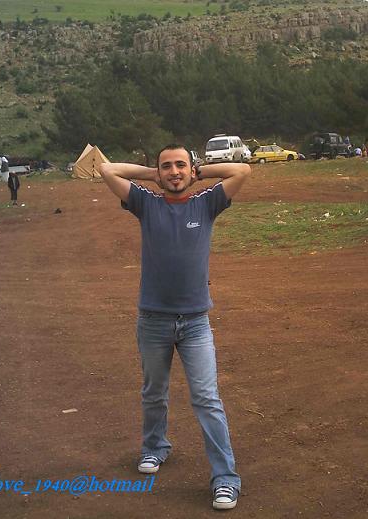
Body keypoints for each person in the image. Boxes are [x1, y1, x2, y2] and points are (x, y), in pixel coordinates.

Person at [100, 144, 250, 510]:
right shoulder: (146, 204)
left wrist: (200, 173)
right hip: (153, 320)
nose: (174, 171)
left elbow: (242, 171)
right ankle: (155, 447)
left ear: (190, 169)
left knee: (207, 399)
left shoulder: (206, 203)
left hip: (195, 322)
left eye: (180, 165)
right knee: (154, 392)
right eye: (166, 166)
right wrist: (150, 176)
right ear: (158, 172)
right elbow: (107, 170)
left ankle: (225, 478)